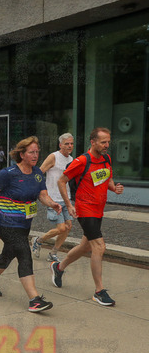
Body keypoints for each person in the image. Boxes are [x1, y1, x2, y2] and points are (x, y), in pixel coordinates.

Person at [0, 136, 61, 312]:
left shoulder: (37, 173)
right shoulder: (8, 174)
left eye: (37, 152)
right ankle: (34, 299)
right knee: (24, 252)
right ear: (22, 154)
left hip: (24, 224)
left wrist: (52, 203)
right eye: (31, 152)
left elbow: (42, 195)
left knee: (8, 254)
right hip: (6, 222)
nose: (35, 155)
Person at [51, 127, 124, 306]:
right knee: (99, 246)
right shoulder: (82, 161)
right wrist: (69, 205)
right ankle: (99, 291)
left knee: (85, 247)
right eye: (103, 142)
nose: (107, 145)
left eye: (108, 142)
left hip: (99, 209)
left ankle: (58, 267)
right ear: (93, 142)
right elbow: (61, 181)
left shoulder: (106, 158)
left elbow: (107, 177)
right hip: (84, 209)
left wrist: (114, 188)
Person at [31, 133, 75, 262]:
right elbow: (39, 173)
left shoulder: (71, 159)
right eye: (67, 144)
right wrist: (40, 193)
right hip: (53, 198)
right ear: (60, 145)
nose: (70, 146)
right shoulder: (53, 157)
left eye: (71, 144)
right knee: (61, 228)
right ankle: (38, 240)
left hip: (66, 197)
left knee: (68, 227)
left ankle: (53, 252)